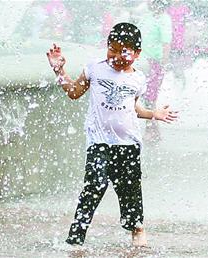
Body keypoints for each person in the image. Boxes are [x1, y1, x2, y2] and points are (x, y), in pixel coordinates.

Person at [46, 23, 177, 246]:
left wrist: (154, 114)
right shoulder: (95, 69)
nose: (116, 56)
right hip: (99, 141)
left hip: (128, 143)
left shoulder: (138, 79)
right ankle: (76, 236)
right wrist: (59, 71)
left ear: (137, 54)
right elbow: (74, 92)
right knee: (94, 184)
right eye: (112, 49)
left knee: (129, 189)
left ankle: (137, 229)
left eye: (123, 51)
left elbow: (134, 108)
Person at [136, 0, 172, 143]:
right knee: (145, 97)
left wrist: (163, 64)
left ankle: (151, 130)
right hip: (142, 62)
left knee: (150, 99)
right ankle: (155, 130)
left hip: (155, 63)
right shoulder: (147, 16)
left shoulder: (164, 19)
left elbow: (166, 43)